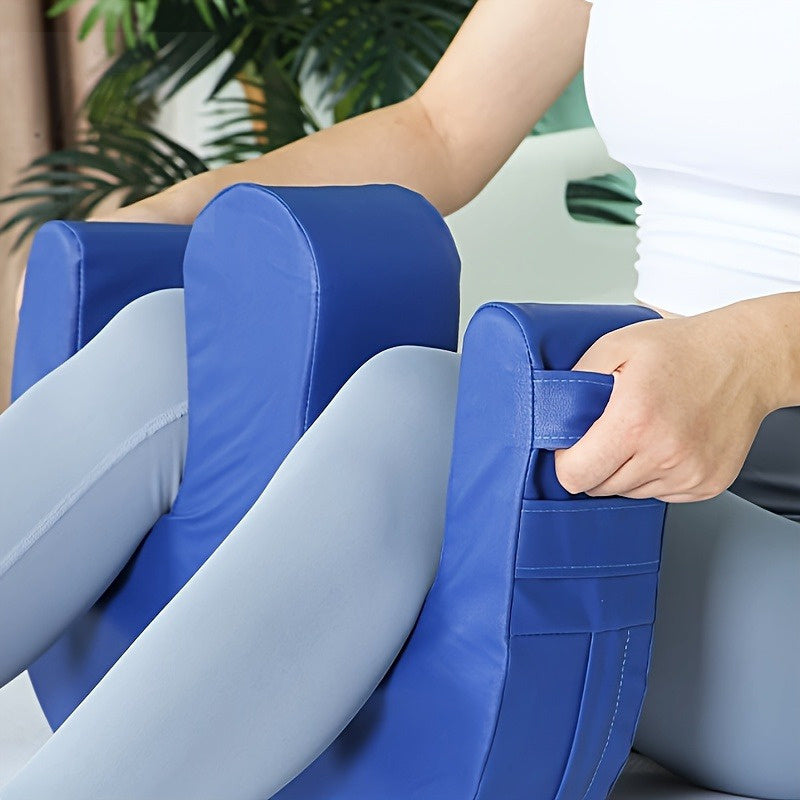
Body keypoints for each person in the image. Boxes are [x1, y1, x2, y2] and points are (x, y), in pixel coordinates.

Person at [1, 1, 798, 797]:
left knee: (430, 418)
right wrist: (177, 215)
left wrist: (756, 356)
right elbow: (440, 129)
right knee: (173, 339)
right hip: (643, 429)